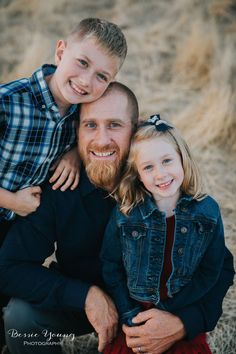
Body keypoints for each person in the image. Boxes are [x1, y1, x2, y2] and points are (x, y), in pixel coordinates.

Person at [0, 84, 234, 354]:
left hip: (155, 307)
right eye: (90, 125)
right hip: (81, 301)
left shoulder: (158, 180)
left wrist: (184, 322)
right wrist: (85, 296)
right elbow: (8, 266)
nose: (101, 140)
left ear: (135, 128)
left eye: (114, 125)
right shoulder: (60, 187)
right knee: (21, 317)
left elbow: (220, 267)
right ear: (77, 129)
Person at [0, 17, 127, 349]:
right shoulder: (9, 102)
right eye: (82, 63)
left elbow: (98, 133)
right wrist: (11, 201)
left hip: (16, 228)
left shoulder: (79, 112)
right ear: (61, 51)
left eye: (102, 76)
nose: (86, 81)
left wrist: (73, 151)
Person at [101, 114, 233, 354]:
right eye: (148, 167)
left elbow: (210, 270)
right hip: (135, 314)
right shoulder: (126, 213)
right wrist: (129, 313)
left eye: (167, 161)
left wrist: (172, 311)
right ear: (137, 175)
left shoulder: (207, 212)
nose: (160, 174)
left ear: (183, 159)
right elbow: (111, 266)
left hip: (181, 310)